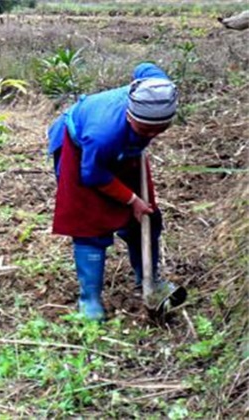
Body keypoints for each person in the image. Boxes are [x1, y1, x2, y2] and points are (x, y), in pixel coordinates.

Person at [47, 62, 179, 321]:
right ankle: (90, 299)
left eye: (159, 129)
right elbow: (93, 175)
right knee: (90, 223)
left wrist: (139, 205)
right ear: (130, 116)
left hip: (126, 150)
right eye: (146, 129)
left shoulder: (158, 88)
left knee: (146, 219)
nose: (152, 134)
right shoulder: (102, 134)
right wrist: (132, 199)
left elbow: (144, 67)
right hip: (79, 149)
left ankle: (150, 282)